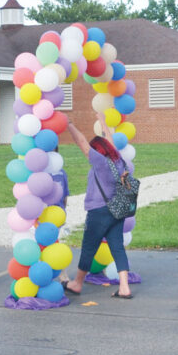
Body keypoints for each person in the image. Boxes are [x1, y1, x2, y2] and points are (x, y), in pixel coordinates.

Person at [60, 116, 134, 299]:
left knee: (88, 247)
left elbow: (82, 143)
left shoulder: (100, 163)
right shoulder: (119, 161)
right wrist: (102, 122)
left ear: (98, 152)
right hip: (117, 210)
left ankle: (77, 283)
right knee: (117, 247)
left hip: (99, 211)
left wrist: (70, 125)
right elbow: (109, 141)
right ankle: (124, 287)